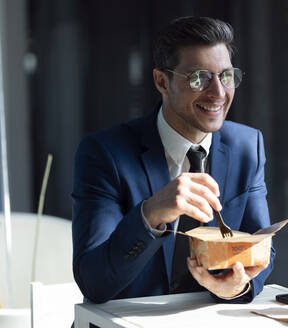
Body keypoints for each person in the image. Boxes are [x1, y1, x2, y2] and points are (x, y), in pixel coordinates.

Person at [72, 16, 273, 304]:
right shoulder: (105, 154)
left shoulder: (247, 146)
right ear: (161, 81)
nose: (218, 92)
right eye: (199, 77)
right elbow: (95, 283)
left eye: (226, 76)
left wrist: (238, 287)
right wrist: (151, 213)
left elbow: (262, 246)